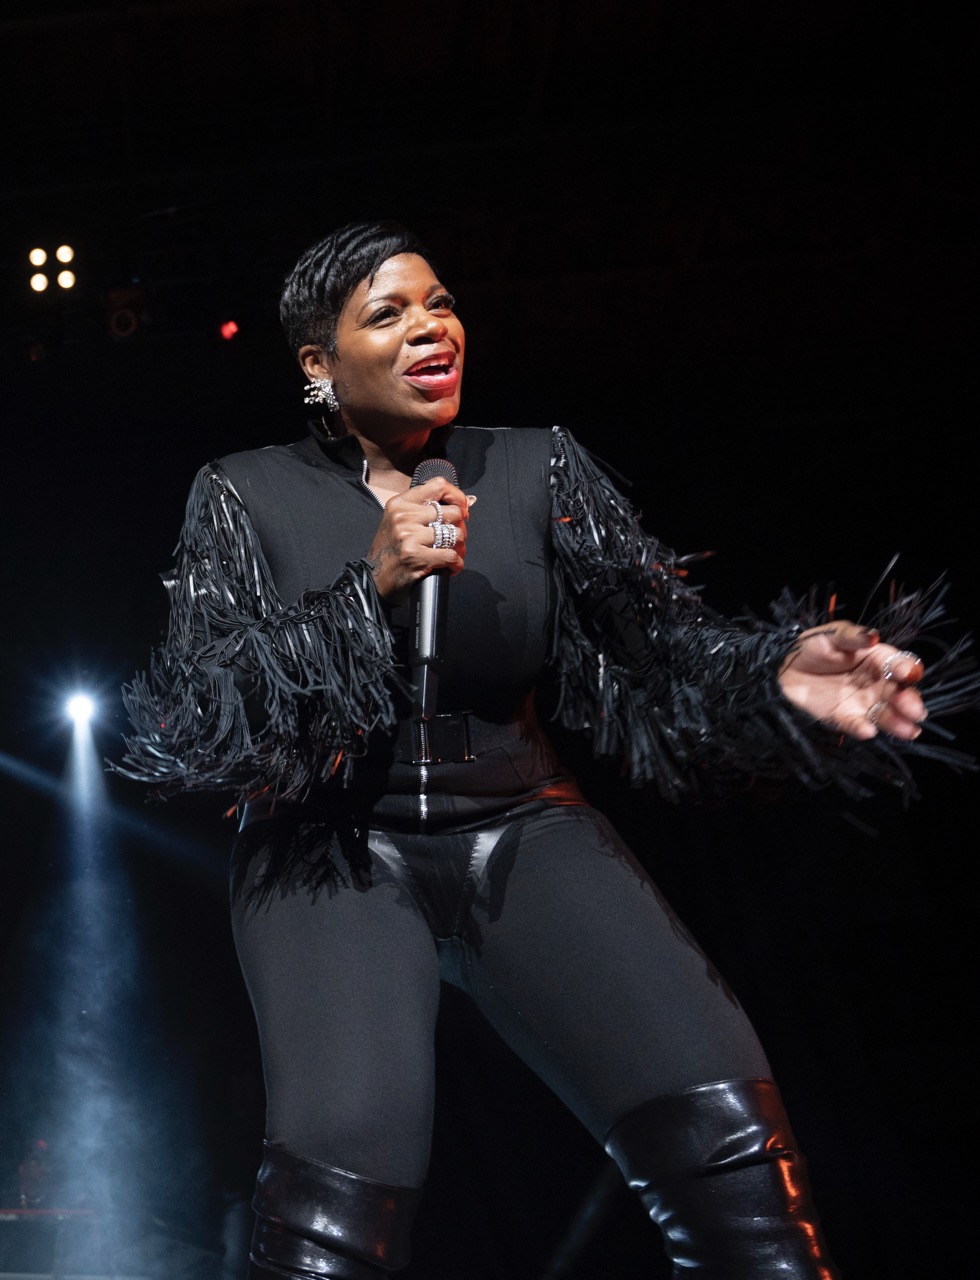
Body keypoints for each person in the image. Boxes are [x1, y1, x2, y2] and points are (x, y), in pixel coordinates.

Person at [117, 219, 976, 1279]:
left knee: (737, 1166)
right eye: (388, 313)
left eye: (440, 303)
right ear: (318, 366)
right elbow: (205, 710)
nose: (431, 327)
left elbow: (662, 647)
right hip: (331, 848)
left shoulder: (533, 466)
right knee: (336, 1220)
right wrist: (365, 590)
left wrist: (776, 666)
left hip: (521, 820)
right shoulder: (245, 491)